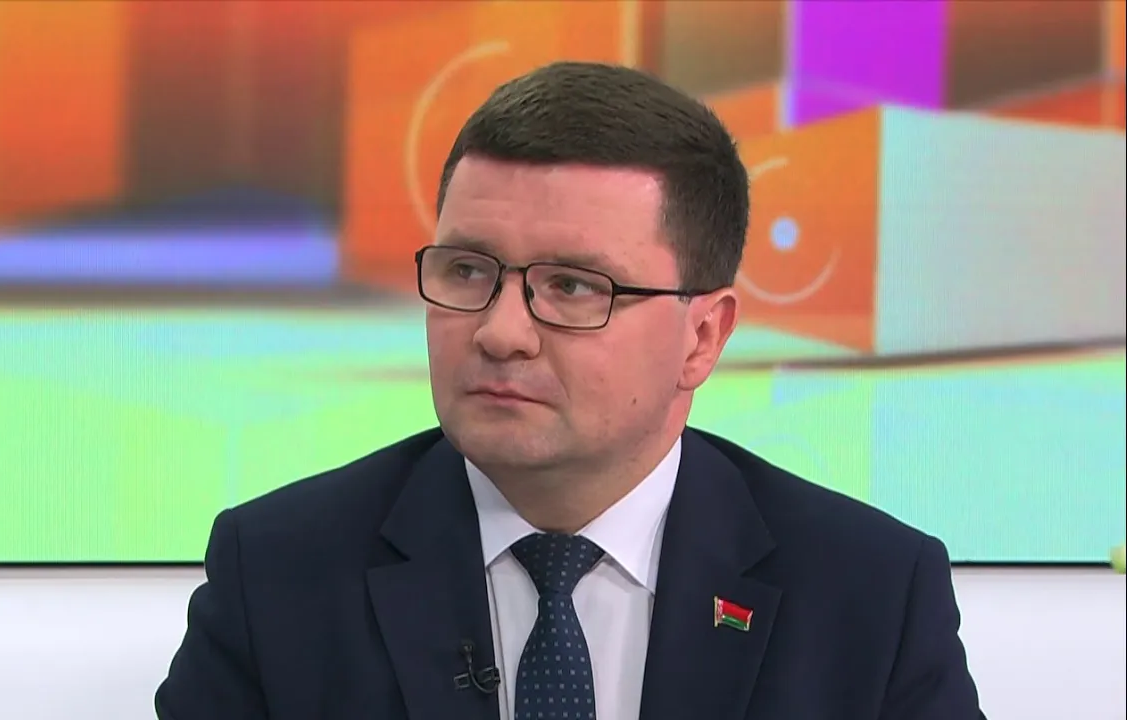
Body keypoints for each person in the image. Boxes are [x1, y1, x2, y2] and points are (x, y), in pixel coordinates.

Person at [155, 61, 985, 720]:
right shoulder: (280, 573)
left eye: (574, 286)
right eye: (467, 271)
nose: (500, 332)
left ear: (702, 336)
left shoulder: (869, 594)